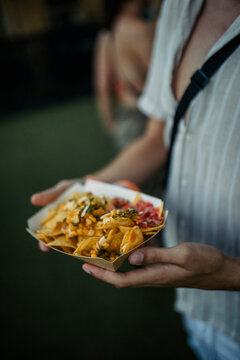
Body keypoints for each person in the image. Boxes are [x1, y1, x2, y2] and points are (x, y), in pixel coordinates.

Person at [31, 0, 240, 359]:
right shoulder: (176, 7)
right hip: (194, 302)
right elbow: (159, 136)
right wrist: (90, 187)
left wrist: (230, 273)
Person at [93, 0, 159, 150]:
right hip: (145, 119)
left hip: (124, 118)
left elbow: (102, 87)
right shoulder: (140, 30)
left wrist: (111, 125)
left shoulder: (106, 35)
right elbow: (162, 78)